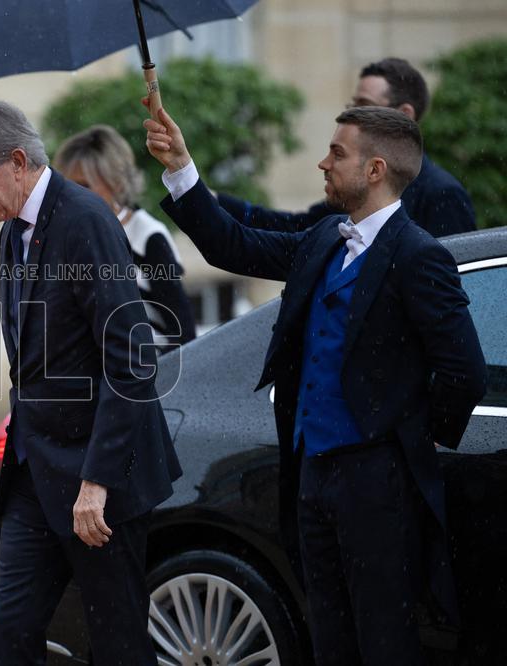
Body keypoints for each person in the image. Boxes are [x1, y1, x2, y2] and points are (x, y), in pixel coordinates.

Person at [143, 103, 486, 665]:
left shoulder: (419, 256)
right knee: (328, 634)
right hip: (311, 472)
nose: (323, 162)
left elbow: (464, 371)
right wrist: (182, 168)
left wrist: (405, 441)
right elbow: (234, 245)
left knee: (383, 641)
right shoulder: (327, 235)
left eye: (338, 153)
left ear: (375, 170)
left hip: (379, 483)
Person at [0, 100, 181, 665]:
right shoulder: (12, 226)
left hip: (101, 477)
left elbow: (132, 361)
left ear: (16, 161)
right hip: (36, 475)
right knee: (10, 635)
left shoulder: (86, 220)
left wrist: (97, 482)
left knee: (118, 642)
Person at [217, 58, 476, 238]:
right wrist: (206, 198)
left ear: (405, 114)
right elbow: (293, 228)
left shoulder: (442, 194)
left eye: (364, 104)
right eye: (353, 105)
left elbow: (458, 287)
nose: (353, 113)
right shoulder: (351, 187)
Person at [55, 124, 196, 351]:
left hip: (147, 370)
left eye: (84, 186)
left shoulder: (148, 235)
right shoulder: (64, 233)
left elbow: (183, 328)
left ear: (116, 182)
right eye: (68, 186)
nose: (73, 195)